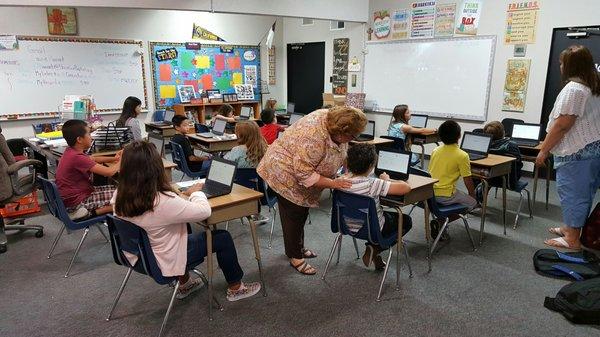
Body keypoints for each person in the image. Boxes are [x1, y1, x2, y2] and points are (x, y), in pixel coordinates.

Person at [112, 141, 261, 301]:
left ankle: (185, 284)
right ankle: (236, 288)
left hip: (138, 257)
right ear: (155, 167)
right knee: (222, 237)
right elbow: (204, 211)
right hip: (163, 261)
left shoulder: (119, 195)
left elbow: (164, 213)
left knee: (180, 229)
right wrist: (195, 193)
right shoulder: (162, 201)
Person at [257, 106, 367, 275]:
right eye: (352, 136)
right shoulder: (314, 136)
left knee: (301, 214)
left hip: (299, 170)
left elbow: (340, 149)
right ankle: (295, 256)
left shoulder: (332, 122)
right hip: (283, 172)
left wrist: (347, 171)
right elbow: (303, 173)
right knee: (293, 215)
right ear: (341, 131)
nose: (353, 139)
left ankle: (298, 248)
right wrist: (334, 183)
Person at [537, 45, 600, 250]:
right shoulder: (593, 84)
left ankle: (572, 239)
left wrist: (544, 149)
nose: (561, 66)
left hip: (576, 153)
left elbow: (563, 125)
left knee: (573, 194)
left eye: (563, 63)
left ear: (571, 66)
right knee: (582, 193)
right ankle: (570, 228)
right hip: (590, 151)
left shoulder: (574, 89)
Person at [341, 143, 412, 271]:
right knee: (406, 220)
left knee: (378, 214)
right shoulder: (373, 183)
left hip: (346, 225)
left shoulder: (340, 181)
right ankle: (375, 248)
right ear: (371, 166)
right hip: (372, 229)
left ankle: (374, 253)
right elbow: (406, 188)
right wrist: (387, 179)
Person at [55, 119, 121, 219]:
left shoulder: (70, 152)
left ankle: (93, 211)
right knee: (126, 196)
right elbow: (110, 172)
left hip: (74, 198)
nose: (91, 137)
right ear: (79, 139)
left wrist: (115, 158)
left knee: (120, 190)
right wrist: (124, 158)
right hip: (78, 202)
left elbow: (93, 158)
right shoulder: (77, 157)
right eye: (89, 134)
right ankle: (88, 213)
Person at [428, 120, 478, 239]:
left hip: (429, 193)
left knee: (460, 198)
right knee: (472, 203)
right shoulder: (462, 155)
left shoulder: (435, 150)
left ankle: (441, 221)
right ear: (459, 136)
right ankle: (441, 222)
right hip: (446, 195)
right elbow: (467, 179)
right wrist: (472, 195)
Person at [224, 121, 269, 224]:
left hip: (236, 189)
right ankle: (257, 214)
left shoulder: (237, 150)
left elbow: (226, 164)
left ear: (241, 135)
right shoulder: (264, 148)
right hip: (260, 191)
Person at [482, 121, 523, 189]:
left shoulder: (483, 146)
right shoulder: (511, 145)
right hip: (509, 180)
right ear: (503, 133)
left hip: (486, 177)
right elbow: (519, 165)